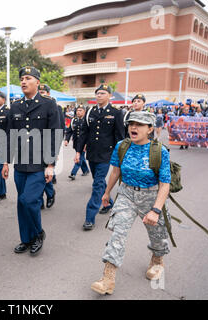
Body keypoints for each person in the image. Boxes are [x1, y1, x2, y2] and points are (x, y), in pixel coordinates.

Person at [91, 111, 171, 295]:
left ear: (150, 129)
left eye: (140, 124)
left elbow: (164, 184)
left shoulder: (160, 151)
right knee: (117, 234)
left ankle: (157, 260)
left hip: (151, 197)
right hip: (126, 194)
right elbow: (115, 172)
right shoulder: (122, 146)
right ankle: (107, 279)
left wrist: (156, 210)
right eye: (131, 123)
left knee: (157, 235)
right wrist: (106, 192)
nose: (133, 127)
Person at [2, 66, 61, 256]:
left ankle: (38, 234)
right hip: (21, 163)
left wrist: (51, 165)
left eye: (28, 78)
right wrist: (5, 162)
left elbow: (54, 135)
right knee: (21, 202)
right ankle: (26, 239)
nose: (23, 82)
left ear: (37, 81)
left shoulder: (48, 104)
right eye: (21, 79)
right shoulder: (16, 106)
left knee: (29, 201)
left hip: (39, 163)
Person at [75, 84, 125, 231]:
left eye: (102, 93)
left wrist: (119, 156)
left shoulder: (116, 112)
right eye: (97, 93)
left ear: (109, 96)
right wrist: (79, 152)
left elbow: (120, 136)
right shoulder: (90, 111)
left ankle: (90, 217)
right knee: (99, 181)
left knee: (97, 184)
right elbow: (84, 132)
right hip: (92, 153)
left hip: (106, 154)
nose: (99, 96)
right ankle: (109, 202)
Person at [38, 84, 64, 209]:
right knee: (37, 174)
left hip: (49, 146)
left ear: (48, 93)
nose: (41, 93)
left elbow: (59, 130)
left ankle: (50, 193)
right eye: (39, 91)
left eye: (43, 92)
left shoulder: (56, 107)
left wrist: (56, 151)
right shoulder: (35, 105)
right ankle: (38, 200)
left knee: (44, 173)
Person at [64, 105, 90, 180]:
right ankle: (85, 170)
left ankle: (73, 173)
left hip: (84, 143)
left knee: (79, 157)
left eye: (80, 110)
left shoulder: (87, 120)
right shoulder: (74, 120)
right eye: (77, 110)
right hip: (76, 143)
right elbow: (69, 131)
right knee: (81, 157)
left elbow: (89, 133)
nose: (78, 112)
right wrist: (67, 140)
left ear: (84, 112)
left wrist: (87, 144)